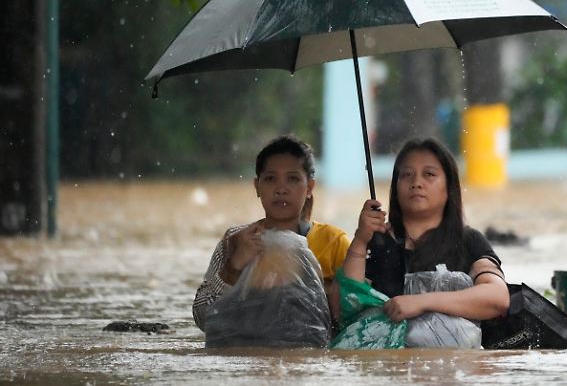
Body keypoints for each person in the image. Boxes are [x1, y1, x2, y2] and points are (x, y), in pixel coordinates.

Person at [192, 135, 350, 333]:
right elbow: (203, 318)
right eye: (270, 179)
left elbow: (355, 316)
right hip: (247, 357)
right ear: (257, 187)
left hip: (309, 359)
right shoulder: (236, 240)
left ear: (309, 188)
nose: (281, 189)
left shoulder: (334, 242)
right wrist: (234, 267)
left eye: (292, 179)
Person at [342, 138, 509, 325]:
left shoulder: (468, 240)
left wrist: (422, 302)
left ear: (449, 187)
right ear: (395, 187)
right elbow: (345, 308)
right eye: (406, 174)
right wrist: (360, 240)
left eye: (429, 174)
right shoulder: (376, 241)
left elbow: (498, 297)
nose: (416, 182)